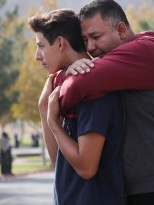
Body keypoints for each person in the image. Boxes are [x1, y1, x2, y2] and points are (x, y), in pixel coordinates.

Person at [57, 1, 154, 204]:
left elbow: (79, 86)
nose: (90, 47)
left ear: (120, 30)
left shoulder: (145, 51)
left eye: (96, 37)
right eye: (85, 40)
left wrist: (58, 82)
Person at [29, 9, 126, 205]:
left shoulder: (92, 89)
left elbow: (86, 168)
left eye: (41, 46)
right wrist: (45, 104)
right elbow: (58, 162)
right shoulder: (64, 88)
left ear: (60, 43)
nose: (37, 56)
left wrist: (54, 124)